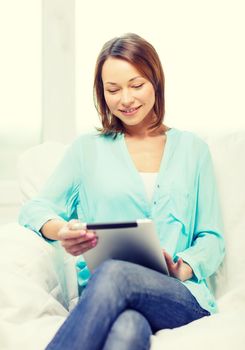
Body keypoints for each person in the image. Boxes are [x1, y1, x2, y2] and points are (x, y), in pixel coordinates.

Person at [19, 33, 225, 350]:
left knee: (116, 273)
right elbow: (34, 209)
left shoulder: (193, 150)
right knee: (128, 330)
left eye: (136, 85)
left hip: (177, 295)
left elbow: (212, 238)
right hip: (108, 299)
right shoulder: (86, 151)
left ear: (156, 81)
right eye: (112, 90)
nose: (125, 100)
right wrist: (63, 231)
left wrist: (182, 266)